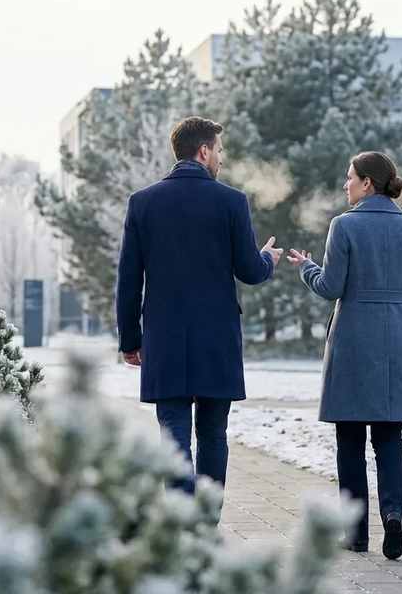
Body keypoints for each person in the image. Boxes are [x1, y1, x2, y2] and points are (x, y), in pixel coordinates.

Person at [115, 116, 283, 502]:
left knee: (172, 433)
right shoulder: (231, 201)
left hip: (164, 337)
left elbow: (128, 279)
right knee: (213, 434)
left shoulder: (142, 202)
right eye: (220, 151)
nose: (221, 159)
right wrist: (267, 258)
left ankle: (179, 518)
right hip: (216, 339)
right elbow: (250, 271)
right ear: (204, 151)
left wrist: (130, 339)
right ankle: (206, 520)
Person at [287, 151, 402, 560]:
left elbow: (332, 287)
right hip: (398, 345)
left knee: (349, 441)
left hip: (352, 343)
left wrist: (307, 269)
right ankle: (395, 515)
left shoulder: (344, 225)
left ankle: (356, 533)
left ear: (367, 183)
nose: (344, 184)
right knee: (389, 439)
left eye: (349, 177)